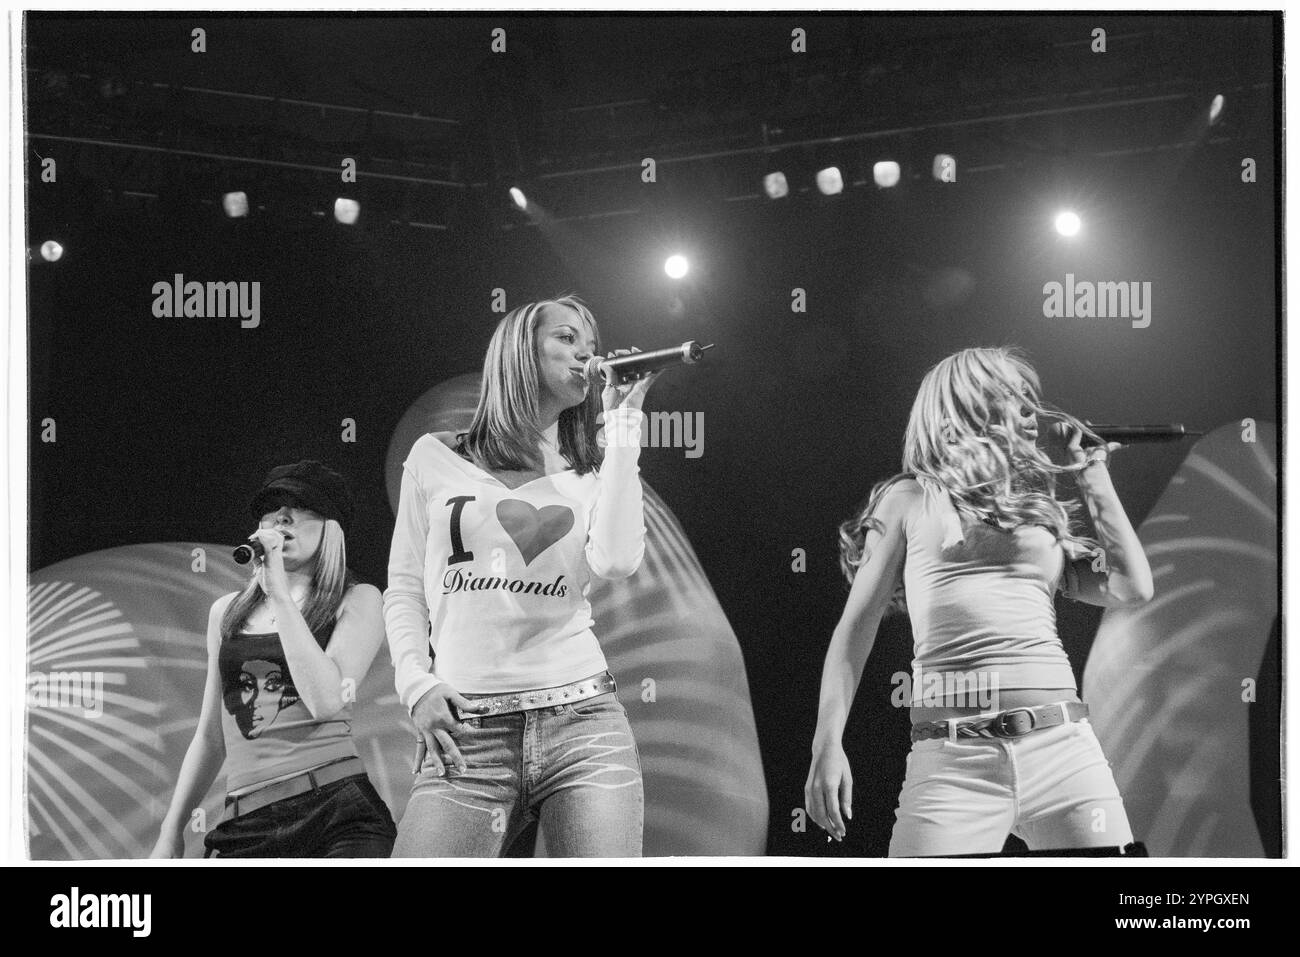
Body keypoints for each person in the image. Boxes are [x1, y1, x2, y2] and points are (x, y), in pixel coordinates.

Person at [806, 346, 1154, 856]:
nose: (1031, 411)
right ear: (965, 406)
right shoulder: (910, 498)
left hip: (1062, 748)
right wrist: (826, 744)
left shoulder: (1037, 517)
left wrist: (1091, 472)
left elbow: (1131, 585)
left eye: (1030, 398)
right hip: (952, 760)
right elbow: (854, 630)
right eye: (1012, 396)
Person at [385, 295, 656, 857]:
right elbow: (405, 588)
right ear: (518, 352)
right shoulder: (434, 457)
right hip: (468, 729)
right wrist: (416, 685)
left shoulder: (589, 474)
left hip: (583, 721)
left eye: (593, 345)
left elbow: (617, 563)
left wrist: (625, 424)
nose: (587, 353)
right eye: (567, 338)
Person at [151, 461, 396, 858]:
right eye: (273, 507)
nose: (282, 517)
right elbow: (211, 736)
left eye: (300, 507)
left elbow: (326, 700)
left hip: (335, 810)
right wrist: (170, 831)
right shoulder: (226, 611)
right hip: (247, 820)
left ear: (332, 528)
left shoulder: (358, 599)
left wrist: (280, 593)